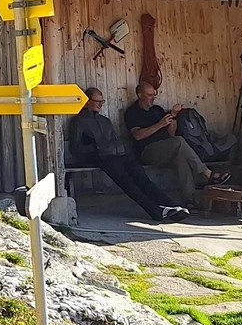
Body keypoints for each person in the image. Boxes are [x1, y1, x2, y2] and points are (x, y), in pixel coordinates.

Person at [64, 87, 191, 223]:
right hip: (99, 157)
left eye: (102, 101)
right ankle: (155, 210)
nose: (100, 104)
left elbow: (115, 140)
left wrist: (119, 149)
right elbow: (76, 148)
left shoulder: (104, 121)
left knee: (141, 177)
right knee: (127, 182)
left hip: (116, 154)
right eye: (97, 101)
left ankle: (171, 206)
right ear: (87, 102)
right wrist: (96, 148)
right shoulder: (79, 122)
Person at [122, 81, 230, 205]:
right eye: (149, 95)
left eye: (154, 95)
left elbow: (170, 135)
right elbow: (137, 136)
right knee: (179, 141)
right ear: (140, 95)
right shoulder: (132, 112)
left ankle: (190, 199)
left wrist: (173, 118)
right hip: (146, 152)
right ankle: (208, 173)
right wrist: (160, 124)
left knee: (180, 158)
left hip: (165, 148)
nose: (153, 98)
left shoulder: (157, 110)